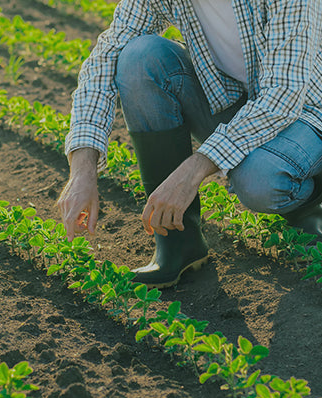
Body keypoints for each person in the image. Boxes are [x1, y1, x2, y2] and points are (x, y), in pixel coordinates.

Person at [58, 0, 322, 289]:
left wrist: (194, 168)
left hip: (308, 111)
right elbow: (106, 57)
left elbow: (283, 96)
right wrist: (82, 169)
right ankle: (178, 244)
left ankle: (309, 202)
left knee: (259, 180)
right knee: (140, 58)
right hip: (240, 103)